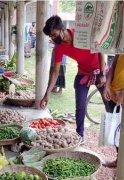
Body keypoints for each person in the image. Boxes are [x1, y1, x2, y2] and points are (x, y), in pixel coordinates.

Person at [41, 15, 109, 144]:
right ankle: (80, 137)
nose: (53, 39)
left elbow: (100, 49)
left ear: (62, 29)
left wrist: (102, 73)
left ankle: (114, 139)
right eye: (51, 37)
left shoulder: (81, 34)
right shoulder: (59, 47)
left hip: (100, 70)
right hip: (83, 73)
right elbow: (55, 72)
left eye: (54, 35)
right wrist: (47, 94)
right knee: (80, 106)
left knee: (109, 103)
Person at [102, 54, 124, 168]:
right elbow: (113, 66)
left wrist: (123, 93)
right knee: (116, 130)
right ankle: (119, 159)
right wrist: (106, 85)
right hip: (112, 94)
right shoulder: (122, 48)